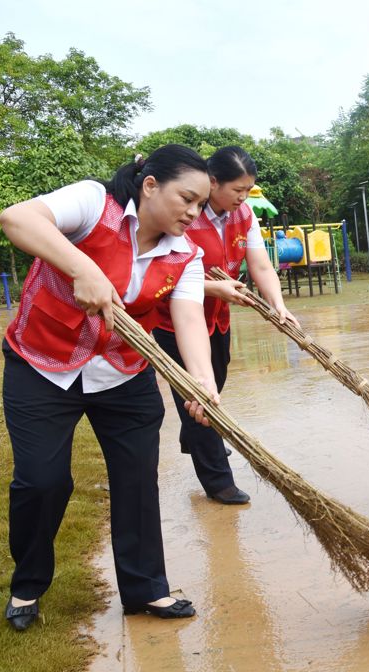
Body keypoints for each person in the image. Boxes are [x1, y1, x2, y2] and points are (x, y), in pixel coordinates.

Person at [0, 144, 218, 631]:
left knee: (138, 481)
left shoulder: (187, 256)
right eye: (187, 198)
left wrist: (201, 383)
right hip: (41, 365)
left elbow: (190, 324)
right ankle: (27, 585)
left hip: (122, 374)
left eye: (202, 205)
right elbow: (15, 218)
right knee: (41, 481)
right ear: (150, 184)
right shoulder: (94, 203)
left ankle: (146, 591)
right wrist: (84, 267)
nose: (194, 213)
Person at [153, 146, 298, 505]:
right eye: (238, 190)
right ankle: (218, 481)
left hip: (217, 319)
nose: (243, 197)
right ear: (212, 182)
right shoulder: (184, 215)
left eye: (248, 190)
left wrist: (278, 305)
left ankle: (195, 435)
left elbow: (261, 265)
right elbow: (164, 274)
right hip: (173, 323)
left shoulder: (244, 215)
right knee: (201, 399)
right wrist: (213, 286)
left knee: (216, 381)